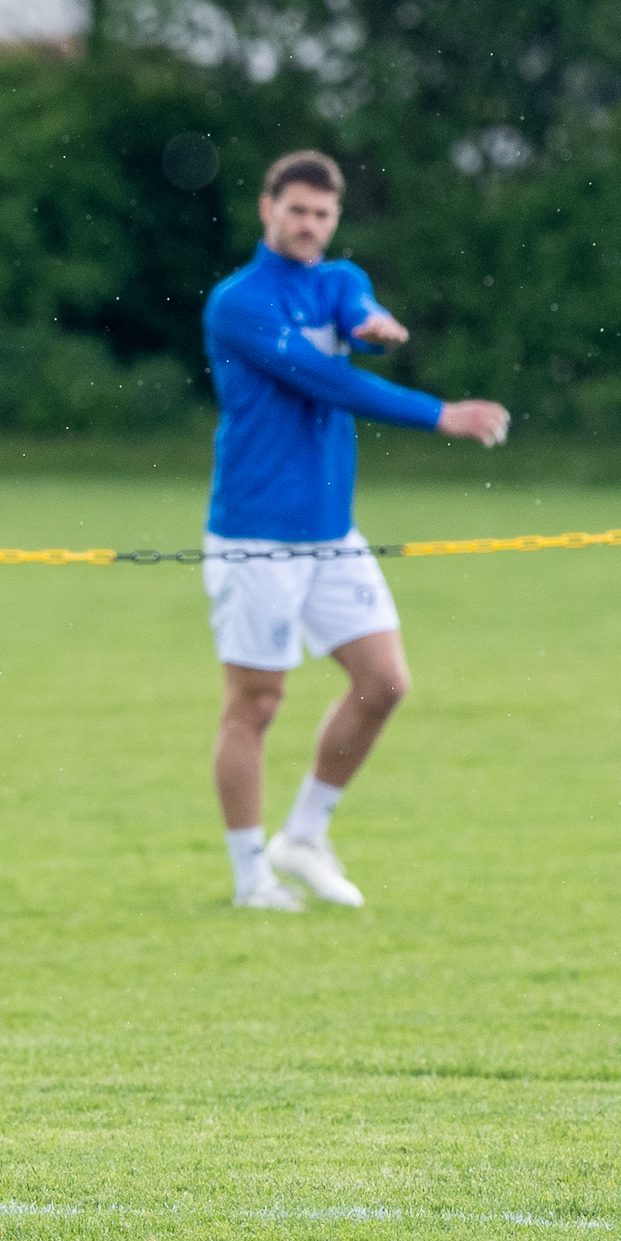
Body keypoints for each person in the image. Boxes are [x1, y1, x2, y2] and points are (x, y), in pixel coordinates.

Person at [202, 151, 508, 912]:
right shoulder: (237, 303)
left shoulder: (339, 279)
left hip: (332, 531)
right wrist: (441, 413)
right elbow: (325, 378)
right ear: (266, 208)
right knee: (258, 702)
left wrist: (371, 326)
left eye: (323, 215)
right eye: (297, 210)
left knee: (385, 682)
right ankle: (250, 876)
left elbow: (354, 311)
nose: (309, 226)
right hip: (255, 532)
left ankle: (302, 837)